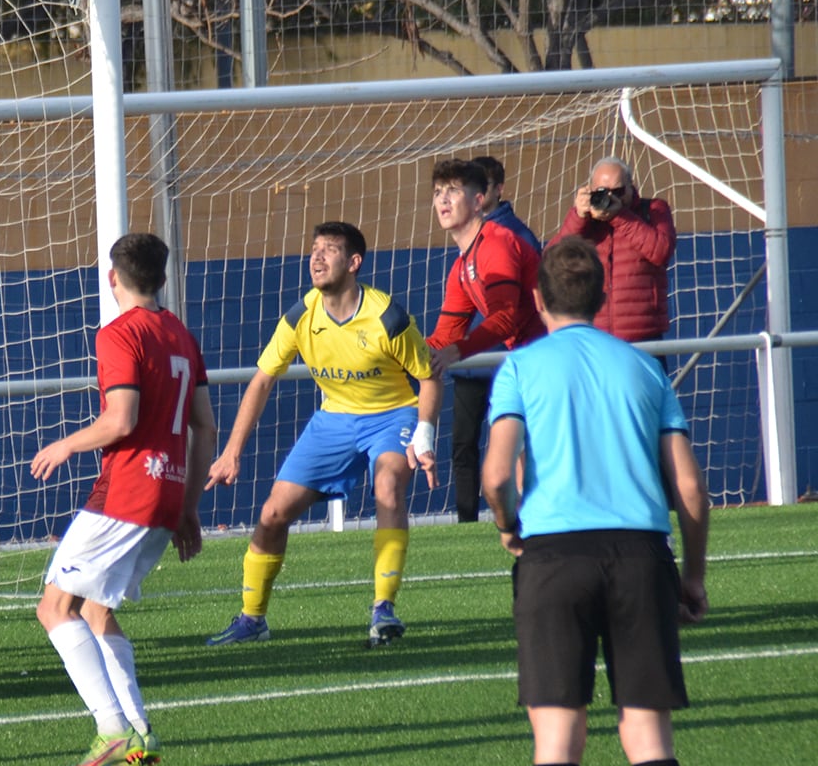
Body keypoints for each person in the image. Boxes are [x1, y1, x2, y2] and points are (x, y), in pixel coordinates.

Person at [482, 236, 709, 766]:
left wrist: (508, 522)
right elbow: (691, 493)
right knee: (649, 737)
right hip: (641, 556)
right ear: (603, 297)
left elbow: (496, 475)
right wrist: (691, 578)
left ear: (538, 298)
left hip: (553, 559)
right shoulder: (643, 369)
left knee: (558, 739)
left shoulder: (520, 368)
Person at [30, 232, 215, 766]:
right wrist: (188, 506)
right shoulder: (179, 333)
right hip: (167, 490)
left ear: (114, 278)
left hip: (127, 491)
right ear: (160, 277)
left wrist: (65, 443)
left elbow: (121, 420)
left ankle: (111, 730)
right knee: (94, 609)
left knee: (54, 608)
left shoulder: (118, 333)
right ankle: (139, 732)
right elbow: (204, 426)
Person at [205, 221, 440, 648]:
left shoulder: (388, 317)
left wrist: (423, 435)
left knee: (387, 485)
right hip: (333, 420)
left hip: (391, 415)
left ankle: (383, 611)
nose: (316, 257)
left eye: (329, 250)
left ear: (354, 263)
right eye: (314, 249)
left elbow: (429, 378)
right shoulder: (301, 315)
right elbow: (261, 382)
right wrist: (231, 452)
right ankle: (252, 619)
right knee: (272, 514)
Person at [425, 159, 546, 523]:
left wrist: (454, 352)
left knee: (532, 468)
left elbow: (505, 316)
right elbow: (444, 334)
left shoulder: (497, 243)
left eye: (453, 191)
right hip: (524, 363)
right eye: (437, 192)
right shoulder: (463, 265)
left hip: (550, 360)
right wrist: (394, 355)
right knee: (505, 474)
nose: (443, 200)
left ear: (479, 201)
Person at [551, 156, 677, 343]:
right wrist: (578, 217)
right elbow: (552, 262)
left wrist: (619, 217)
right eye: (602, 192)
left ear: (630, 186)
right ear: (590, 190)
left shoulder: (652, 210)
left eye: (618, 191)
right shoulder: (585, 222)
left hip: (643, 337)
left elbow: (661, 251)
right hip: (594, 337)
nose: (610, 198)